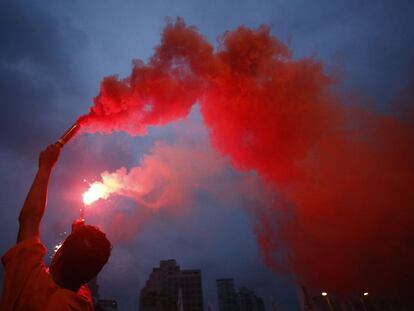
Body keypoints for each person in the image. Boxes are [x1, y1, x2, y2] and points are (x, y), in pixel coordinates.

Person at [0, 143, 112, 310]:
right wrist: (77, 238)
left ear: (58, 256)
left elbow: (29, 218)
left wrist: (46, 166)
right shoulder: (83, 304)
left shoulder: (31, 285)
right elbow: (81, 269)